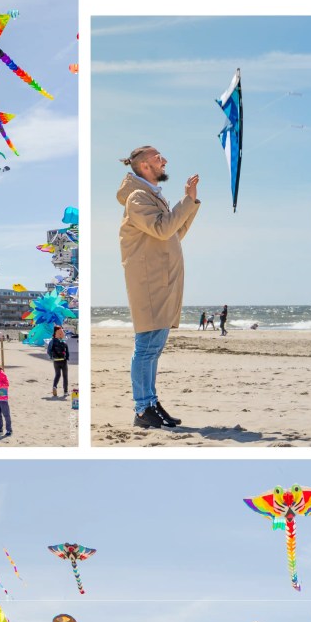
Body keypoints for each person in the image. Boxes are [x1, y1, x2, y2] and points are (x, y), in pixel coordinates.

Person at [115, 145, 198, 430]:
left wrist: (189, 203)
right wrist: (185, 202)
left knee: (152, 349)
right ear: (144, 165)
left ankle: (150, 403)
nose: (164, 161)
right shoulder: (138, 198)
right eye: (158, 157)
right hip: (150, 284)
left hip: (161, 282)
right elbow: (164, 230)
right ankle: (142, 408)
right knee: (147, 348)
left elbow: (173, 233)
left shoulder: (151, 196)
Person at [47, 326, 71, 398]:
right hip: (63, 361)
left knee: (57, 375)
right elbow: (67, 352)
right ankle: (65, 392)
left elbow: (49, 351)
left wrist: (52, 357)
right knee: (65, 376)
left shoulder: (52, 341)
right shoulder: (63, 341)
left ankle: (54, 387)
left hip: (56, 361)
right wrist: (67, 358)